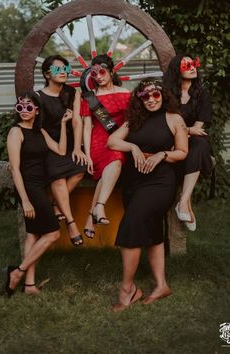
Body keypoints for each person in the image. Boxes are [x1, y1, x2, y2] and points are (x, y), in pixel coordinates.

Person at [107, 78, 188, 312]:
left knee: (131, 226)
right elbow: (113, 142)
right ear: (139, 100)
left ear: (162, 95)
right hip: (133, 183)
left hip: (160, 182)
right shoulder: (134, 120)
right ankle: (162, 285)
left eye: (155, 95)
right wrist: (132, 147)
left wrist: (161, 154)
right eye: (145, 96)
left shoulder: (174, 119)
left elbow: (182, 152)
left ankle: (127, 290)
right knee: (152, 232)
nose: (151, 100)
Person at [6, 91, 71, 296]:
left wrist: (62, 124)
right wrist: (25, 200)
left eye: (28, 107)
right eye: (20, 107)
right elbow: (15, 169)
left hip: (40, 185)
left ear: (36, 110)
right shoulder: (16, 132)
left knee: (33, 234)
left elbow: (60, 151)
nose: (24, 110)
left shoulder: (39, 131)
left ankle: (29, 285)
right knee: (52, 233)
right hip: (28, 188)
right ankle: (18, 272)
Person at [38, 55, 87, 246]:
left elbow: (77, 121)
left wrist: (77, 148)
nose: (63, 72)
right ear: (47, 74)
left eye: (65, 69)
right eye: (58, 69)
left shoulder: (72, 92)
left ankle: (56, 205)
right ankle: (71, 223)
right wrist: (56, 148)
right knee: (57, 177)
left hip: (69, 144)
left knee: (81, 167)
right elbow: (39, 129)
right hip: (49, 145)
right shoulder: (38, 97)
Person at [81, 54, 131, 239]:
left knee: (115, 159)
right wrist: (87, 154)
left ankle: (93, 213)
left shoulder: (126, 94)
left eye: (102, 72)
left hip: (118, 140)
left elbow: (132, 122)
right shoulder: (90, 97)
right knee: (114, 162)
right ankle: (97, 210)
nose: (99, 76)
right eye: (94, 74)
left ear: (111, 71)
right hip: (97, 143)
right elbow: (87, 127)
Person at [163, 54, 213, 231]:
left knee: (199, 144)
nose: (193, 68)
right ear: (177, 69)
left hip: (193, 142)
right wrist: (188, 130)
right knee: (198, 150)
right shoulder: (167, 94)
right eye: (187, 65)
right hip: (171, 142)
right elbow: (166, 125)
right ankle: (187, 206)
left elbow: (198, 128)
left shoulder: (202, 94)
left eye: (194, 64)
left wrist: (188, 131)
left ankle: (183, 202)